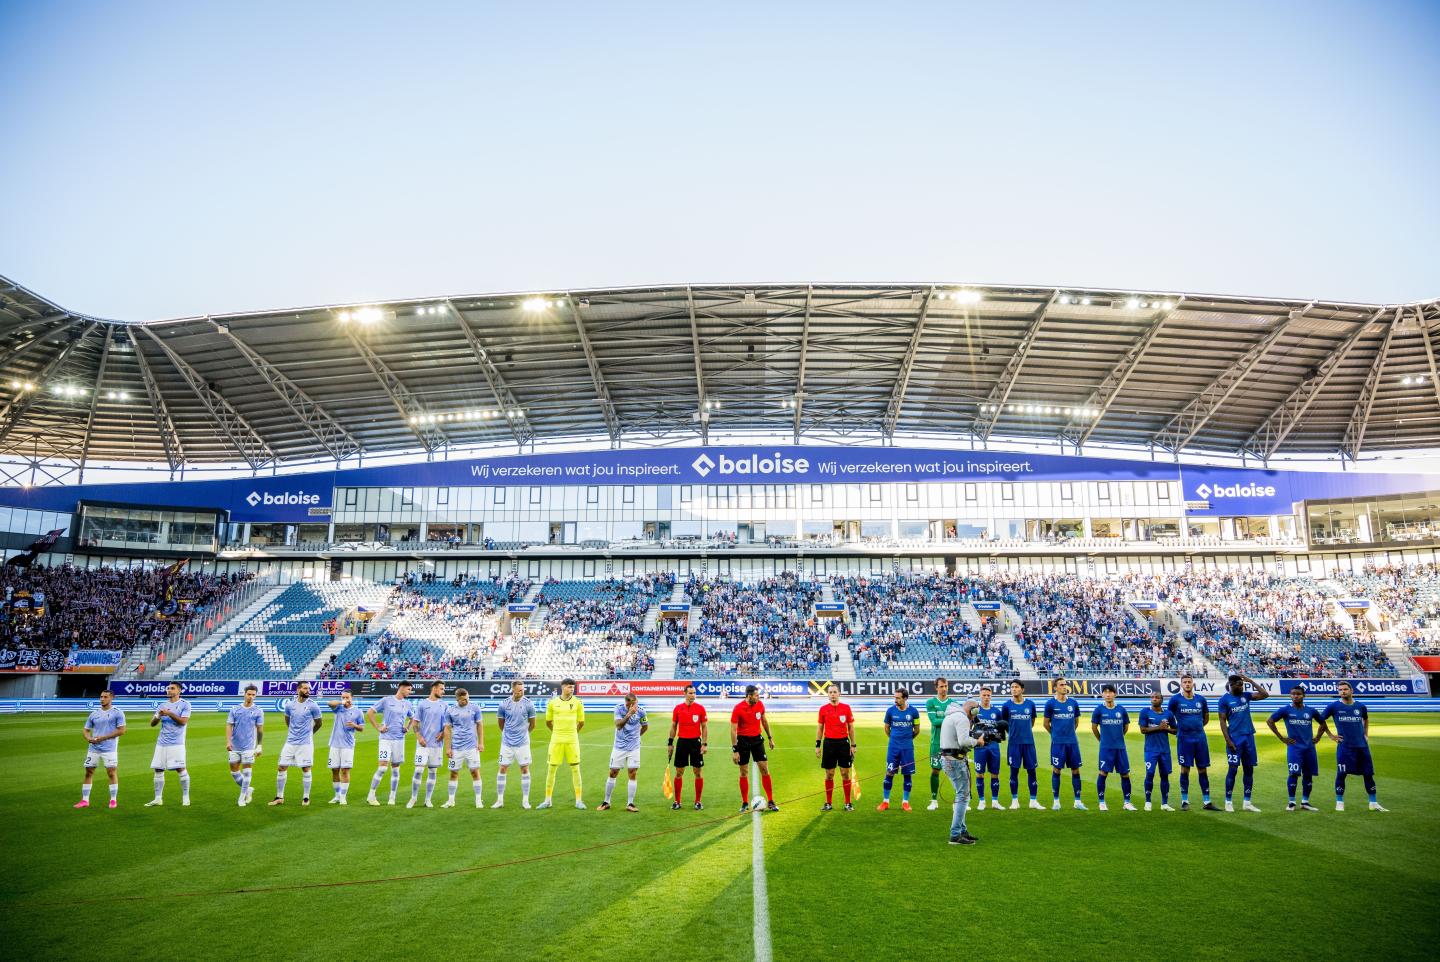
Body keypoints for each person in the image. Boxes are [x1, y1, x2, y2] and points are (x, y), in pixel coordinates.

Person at [1320, 681, 1386, 812]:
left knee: (1368, 774)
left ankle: (1373, 803)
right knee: (1341, 774)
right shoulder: (1333, 706)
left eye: (1345, 689)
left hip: (1362, 747)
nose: (1342, 691)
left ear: (1351, 691)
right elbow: (1320, 720)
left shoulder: (1361, 706)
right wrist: (1331, 735)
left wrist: (1366, 734)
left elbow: (1366, 719)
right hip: (1345, 747)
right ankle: (1339, 802)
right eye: (1340, 690)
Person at [1217, 673, 1269, 812]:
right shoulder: (1224, 700)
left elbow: (1265, 694)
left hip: (1249, 737)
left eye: (1243, 684)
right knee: (1233, 769)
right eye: (1239, 684)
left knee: (1249, 769)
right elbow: (1222, 721)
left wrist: (1250, 680)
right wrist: (1228, 740)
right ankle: (1228, 801)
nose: (1242, 686)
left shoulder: (1246, 696)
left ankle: (1247, 802)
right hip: (1235, 738)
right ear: (1231, 685)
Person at [1266, 685, 1323, 811]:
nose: (1295, 696)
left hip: (1309, 748)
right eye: (1293, 694)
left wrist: (1318, 737)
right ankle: (1291, 802)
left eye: (1298, 694)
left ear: (1304, 695)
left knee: (1308, 775)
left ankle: (1305, 802)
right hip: (1294, 748)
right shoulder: (1285, 710)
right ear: (1290, 695)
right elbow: (1270, 721)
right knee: (1293, 774)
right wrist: (1282, 738)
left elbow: (1323, 723)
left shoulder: (1311, 711)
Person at [1166, 674, 1216, 810]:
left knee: (1202, 769)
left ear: (1193, 684)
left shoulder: (1201, 699)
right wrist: (1179, 729)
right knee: (1185, 769)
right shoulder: (1175, 700)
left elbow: (1206, 717)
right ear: (1181, 685)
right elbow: (1168, 717)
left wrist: (1196, 727)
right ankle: (1185, 801)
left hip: (1200, 738)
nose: (1187, 684)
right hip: (1184, 739)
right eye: (1185, 682)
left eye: (1189, 682)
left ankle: (1207, 801)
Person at [270, 681, 323, 806]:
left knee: (305, 768)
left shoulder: (313, 706)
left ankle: (305, 798)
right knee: (281, 766)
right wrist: (293, 732)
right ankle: (279, 797)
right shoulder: (289, 705)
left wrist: (310, 734)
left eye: (308, 689)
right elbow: (287, 720)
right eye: (305, 688)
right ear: (298, 689)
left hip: (305, 743)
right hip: (290, 741)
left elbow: (319, 723)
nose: (308, 691)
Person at [538, 678, 586, 810]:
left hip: (572, 740)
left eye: (573, 687)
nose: (572, 689)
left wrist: (573, 733)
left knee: (575, 769)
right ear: (563, 687)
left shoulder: (578, 703)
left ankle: (578, 800)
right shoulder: (553, 703)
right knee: (551, 769)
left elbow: (581, 722)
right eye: (569, 687)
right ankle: (547, 800)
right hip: (556, 739)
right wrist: (557, 732)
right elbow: (548, 721)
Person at [939, 700, 981, 845]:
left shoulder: (951, 715)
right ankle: (955, 834)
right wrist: (978, 742)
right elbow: (964, 741)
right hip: (955, 761)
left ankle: (962, 831)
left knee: (961, 795)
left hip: (949, 759)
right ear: (972, 710)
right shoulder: (962, 718)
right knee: (963, 796)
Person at [366, 681, 415, 805]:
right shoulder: (386, 700)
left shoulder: (407, 704)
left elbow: (413, 718)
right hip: (386, 738)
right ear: (402, 688)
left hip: (399, 739)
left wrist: (407, 728)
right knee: (382, 767)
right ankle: (371, 795)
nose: (410, 692)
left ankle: (392, 797)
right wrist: (378, 727)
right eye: (409, 689)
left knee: (396, 769)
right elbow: (370, 712)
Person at [730, 684, 778, 812]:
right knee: (744, 772)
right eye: (756, 695)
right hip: (743, 741)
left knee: (764, 769)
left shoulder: (760, 704)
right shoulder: (738, 708)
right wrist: (735, 750)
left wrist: (770, 738)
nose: (758, 697)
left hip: (757, 740)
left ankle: (771, 801)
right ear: (749, 696)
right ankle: (745, 803)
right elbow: (733, 730)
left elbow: (764, 721)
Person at [998, 679, 1042, 810]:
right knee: (1014, 771)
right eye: (1012, 687)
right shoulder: (1006, 706)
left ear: (1022, 689)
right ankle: (1014, 800)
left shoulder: (1030, 704)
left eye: (1016, 687)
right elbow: (1004, 724)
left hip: (1029, 743)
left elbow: (1032, 721)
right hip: (1014, 744)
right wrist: (1012, 734)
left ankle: (1033, 800)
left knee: (1032, 771)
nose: (1014, 689)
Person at [146, 681, 191, 807]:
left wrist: (170, 713)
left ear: (179, 691)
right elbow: (152, 724)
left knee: (180, 768)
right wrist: (158, 716)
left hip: (176, 743)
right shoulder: (162, 705)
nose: (169, 690)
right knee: (158, 769)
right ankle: (158, 798)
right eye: (168, 688)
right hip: (161, 742)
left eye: (172, 688)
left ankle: (186, 797)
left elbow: (183, 722)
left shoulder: (185, 704)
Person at [1090, 685, 1135, 811]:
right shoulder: (1098, 710)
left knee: (1125, 774)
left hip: (1120, 747)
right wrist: (1102, 740)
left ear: (1115, 694)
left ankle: (1127, 802)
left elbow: (1126, 727)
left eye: (1110, 692)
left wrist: (1118, 738)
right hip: (1106, 748)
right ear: (1102, 695)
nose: (1108, 695)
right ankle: (1102, 802)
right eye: (1105, 692)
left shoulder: (1121, 710)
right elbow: (1094, 728)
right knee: (1103, 773)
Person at [78, 689, 125, 809]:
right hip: (93, 748)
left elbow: (121, 731)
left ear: (111, 698)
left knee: (111, 773)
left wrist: (103, 738)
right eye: (101, 697)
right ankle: (84, 800)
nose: (102, 699)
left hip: (109, 749)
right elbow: (86, 730)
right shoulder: (94, 713)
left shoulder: (118, 713)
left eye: (105, 697)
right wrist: (88, 738)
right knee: (88, 772)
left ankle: (113, 800)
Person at [600, 693, 648, 812]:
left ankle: (630, 803)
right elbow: (618, 726)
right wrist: (629, 714)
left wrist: (638, 737)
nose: (633, 706)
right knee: (613, 772)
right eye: (631, 704)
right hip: (619, 747)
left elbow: (645, 726)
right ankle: (606, 801)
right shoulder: (619, 708)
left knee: (632, 772)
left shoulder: (641, 711)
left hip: (634, 747)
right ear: (626, 703)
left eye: (635, 703)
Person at [1043, 679, 1086, 811]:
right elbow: (1046, 724)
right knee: (1056, 770)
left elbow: (1076, 722)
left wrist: (1069, 733)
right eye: (1061, 685)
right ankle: (1056, 801)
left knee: (1076, 770)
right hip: (1057, 743)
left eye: (1065, 684)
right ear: (1055, 688)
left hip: (1072, 742)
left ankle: (1077, 801)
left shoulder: (1073, 703)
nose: (1064, 687)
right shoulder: (1050, 704)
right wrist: (1055, 734)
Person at [493, 680, 536, 809]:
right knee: (502, 768)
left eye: (523, 690)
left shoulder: (529, 704)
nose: (521, 692)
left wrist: (524, 734)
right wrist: (508, 734)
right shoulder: (504, 704)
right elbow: (501, 723)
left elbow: (533, 724)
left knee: (524, 769)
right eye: (519, 690)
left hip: (523, 743)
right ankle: (500, 800)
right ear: (513, 690)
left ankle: (525, 800)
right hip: (507, 743)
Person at [815, 683, 856, 812]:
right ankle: (828, 803)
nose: (832, 694)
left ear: (839, 693)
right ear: (828, 694)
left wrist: (853, 745)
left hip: (844, 744)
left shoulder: (846, 708)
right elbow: (820, 728)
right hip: (829, 744)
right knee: (829, 774)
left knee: (845, 773)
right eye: (830, 692)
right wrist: (818, 745)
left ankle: (848, 803)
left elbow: (851, 727)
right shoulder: (823, 709)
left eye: (834, 692)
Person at [878, 688, 920, 811]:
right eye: (895, 697)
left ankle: (905, 802)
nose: (895, 700)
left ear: (905, 698)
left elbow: (917, 730)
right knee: (889, 773)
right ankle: (885, 802)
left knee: (907, 775)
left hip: (907, 749)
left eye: (898, 698)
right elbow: (886, 728)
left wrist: (907, 739)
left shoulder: (914, 712)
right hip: (893, 748)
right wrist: (894, 739)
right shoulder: (890, 711)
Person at [409, 681, 449, 809]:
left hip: (437, 745)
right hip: (423, 744)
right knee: (418, 769)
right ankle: (413, 798)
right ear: (434, 688)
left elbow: (448, 724)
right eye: (442, 689)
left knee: (432, 771)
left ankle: (428, 800)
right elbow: (415, 723)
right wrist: (419, 737)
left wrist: (443, 732)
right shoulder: (422, 704)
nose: (443, 691)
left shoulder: (444, 705)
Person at [442, 688, 485, 808]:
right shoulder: (450, 710)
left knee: (475, 772)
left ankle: (478, 800)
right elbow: (447, 729)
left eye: (467, 698)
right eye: (462, 700)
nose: (465, 701)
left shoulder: (475, 708)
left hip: (472, 746)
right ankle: (451, 800)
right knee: (453, 773)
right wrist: (448, 748)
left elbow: (480, 725)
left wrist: (481, 743)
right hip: (456, 747)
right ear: (457, 699)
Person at [667, 683, 708, 811]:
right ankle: (677, 801)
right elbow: (673, 726)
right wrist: (670, 743)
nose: (693, 695)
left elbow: (704, 727)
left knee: (698, 772)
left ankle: (698, 801)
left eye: (694, 693)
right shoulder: (678, 708)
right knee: (679, 772)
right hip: (682, 742)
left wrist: (704, 744)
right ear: (684, 694)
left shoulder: (700, 708)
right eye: (690, 693)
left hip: (696, 743)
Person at [324, 690, 366, 805]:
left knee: (345, 770)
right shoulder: (338, 708)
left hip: (348, 745)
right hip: (334, 744)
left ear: (352, 698)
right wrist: (341, 702)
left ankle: (343, 797)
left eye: (347, 697)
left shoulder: (358, 711)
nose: (345, 699)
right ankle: (337, 796)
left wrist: (355, 725)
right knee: (334, 770)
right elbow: (329, 703)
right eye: (343, 697)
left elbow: (362, 728)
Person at [226, 683, 264, 806]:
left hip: (249, 747)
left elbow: (260, 729)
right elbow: (229, 726)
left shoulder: (258, 711)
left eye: (253, 695)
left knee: (247, 772)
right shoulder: (235, 709)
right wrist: (228, 741)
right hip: (235, 746)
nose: (251, 697)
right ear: (244, 694)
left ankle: (242, 798)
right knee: (234, 773)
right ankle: (248, 789)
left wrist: (259, 745)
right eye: (249, 694)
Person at [1138, 691, 1176, 812]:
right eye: (1152, 697)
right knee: (1150, 774)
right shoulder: (1145, 712)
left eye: (1157, 697)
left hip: (1164, 750)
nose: (1154, 699)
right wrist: (1159, 727)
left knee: (1164, 776)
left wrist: (1167, 729)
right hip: (1150, 750)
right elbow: (1143, 730)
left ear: (1161, 700)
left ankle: (1164, 803)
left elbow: (1175, 730)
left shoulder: (1168, 714)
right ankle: (1148, 802)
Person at [923, 678, 954, 810]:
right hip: (936, 742)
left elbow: (955, 720)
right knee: (935, 770)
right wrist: (949, 718)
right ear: (936, 688)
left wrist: (944, 719)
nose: (944, 689)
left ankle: (959, 801)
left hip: (951, 742)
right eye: (941, 686)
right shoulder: (931, 702)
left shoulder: (953, 703)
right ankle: (934, 800)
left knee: (955, 771)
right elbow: (934, 721)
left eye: (946, 686)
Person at [972, 686, 1003, 811]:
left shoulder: (996, 711)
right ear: (980, 695)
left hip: (994, 746)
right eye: (984, 695)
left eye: (988, 695)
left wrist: (996, 735)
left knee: (995, 773)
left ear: (991, 696)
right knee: (980, 774)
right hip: (980, 747)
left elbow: (1001, 730)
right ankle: (982, 801)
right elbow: (969, 727)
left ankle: (995, 801)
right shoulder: (975, 711)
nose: (986, 697)